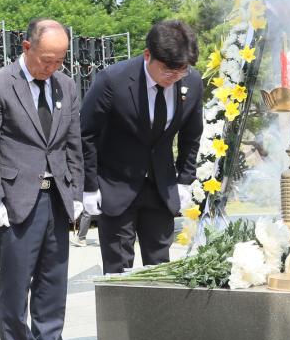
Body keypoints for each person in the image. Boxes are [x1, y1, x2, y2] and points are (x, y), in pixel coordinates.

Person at [0, 18, 84, 340]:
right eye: (46, 59)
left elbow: (72, 145)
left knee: (53, 279)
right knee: (16, 282)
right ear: (26, 47)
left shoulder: (65, 86)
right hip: (16, 198)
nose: (52, 67)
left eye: (59, 60)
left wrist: (78, 193)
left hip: (56, 196)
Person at [80, 20, 204, 273]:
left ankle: (158, 314)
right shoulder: (112, 80)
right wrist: (89, 186)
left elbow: (192, 135)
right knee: (118, 269)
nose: (175, 77)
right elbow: (86, 134)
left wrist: (184, 179)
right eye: (168, 70)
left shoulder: (191, 82)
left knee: (160, 268)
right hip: (116, 185)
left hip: (161, 188)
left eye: (181, 70)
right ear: (148, 55)